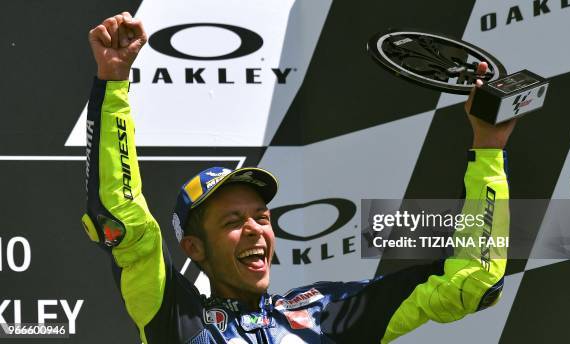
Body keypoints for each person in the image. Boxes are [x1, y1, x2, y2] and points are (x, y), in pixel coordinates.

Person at [81, 12, 516, 344]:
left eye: (261, 217)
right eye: (233, 222)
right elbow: (123, 219)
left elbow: (473, 282)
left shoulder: (323, 312)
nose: (255, 229)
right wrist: (114, 83)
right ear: (194, 247)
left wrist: (489, 149)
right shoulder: (177, 320)